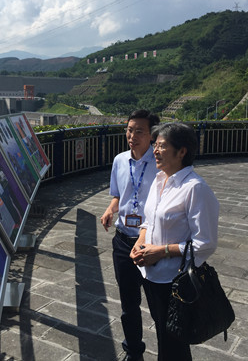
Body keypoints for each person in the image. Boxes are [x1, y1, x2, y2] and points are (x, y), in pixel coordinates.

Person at [130, 122, 219, 361]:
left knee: (173, 344)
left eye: (162, 146)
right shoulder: (160, 180)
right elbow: (149, 220)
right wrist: (139, 242)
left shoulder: (195, 189)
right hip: (150, 276)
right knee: (164, 335)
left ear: (182, 152)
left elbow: (205, 243)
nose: (155, 151)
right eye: (155, 146)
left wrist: (161, 252)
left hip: (174, 281)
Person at [100, 109, 160, 361]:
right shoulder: (119, 160)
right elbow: (119, 195)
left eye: (139, 131)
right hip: (123, 240)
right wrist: (110, 208)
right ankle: (134, 351)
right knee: (128, 304)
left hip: (152, 244)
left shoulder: (160, 164)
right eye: (129, 130)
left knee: (160, 305)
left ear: (152, 135)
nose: (132, 136)